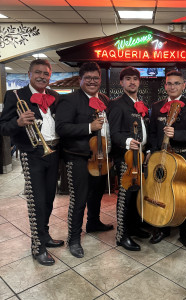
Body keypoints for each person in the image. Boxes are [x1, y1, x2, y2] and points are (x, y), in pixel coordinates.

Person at [0, 59, 64, 266]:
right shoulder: (15, 95)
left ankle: (44, 235)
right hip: (32, 152)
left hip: (53, 152)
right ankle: (37, 247)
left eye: (46, 73)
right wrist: (17, 122)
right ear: (29, 74)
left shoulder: (54, 96)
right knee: (36, 201)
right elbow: (3, 127)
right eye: (38, 72)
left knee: (49, 199)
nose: (42, 77)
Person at [55, 62, 113, 258]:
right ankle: (73, 239)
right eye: (87, 78)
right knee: (79, 200)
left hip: (100, 157)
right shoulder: (69, 100)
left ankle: (93, 223)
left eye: (95, 78)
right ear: (80, 79)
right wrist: (89, 127)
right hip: (78, 158)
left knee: (96, 194)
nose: (92, 81)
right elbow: (62, 128)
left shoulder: (104, 99)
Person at [149, 70, 186, 250]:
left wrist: (176, 134)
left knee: (182, 195)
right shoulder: (156, 106)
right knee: (162, 190)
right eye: (169, 83)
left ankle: (185, 232)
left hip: (182, 156)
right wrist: (153, 152)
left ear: (183, 85)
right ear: (165, 86)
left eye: (176, 83)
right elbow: (153, 133)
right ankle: (162, 228)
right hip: (161, 156)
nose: (173, 87)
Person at [108, 66, 151, 251]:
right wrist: (127, 141)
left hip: (141, 157)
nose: (132, 82)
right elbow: (113, 133)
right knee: (125, 196)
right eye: (128, 79)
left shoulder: (140, 103)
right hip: (125, 158)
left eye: (135, 79)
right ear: (121, 82)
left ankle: (133, 227)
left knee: (135, 194)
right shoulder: (117, 104)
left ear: (139, 82)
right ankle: (121, 235)